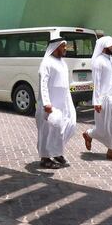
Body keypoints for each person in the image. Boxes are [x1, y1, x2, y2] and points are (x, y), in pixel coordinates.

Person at [36, 38, 77, 169]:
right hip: (50, 104)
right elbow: (43, 84)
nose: (65, 48)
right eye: (63, 46)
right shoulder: (46, 63)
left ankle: (57, 152)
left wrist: (69, 102)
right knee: (48, 130)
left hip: (63, 102)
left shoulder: (63, 63)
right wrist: (46, 103)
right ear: (55, 47)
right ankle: (45, 158)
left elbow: (65, 85)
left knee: (68, 125)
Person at [83, 36, 112, 161]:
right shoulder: (99, 61)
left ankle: (88, 134)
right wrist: (97, 101)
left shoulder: (111, 60)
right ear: (105, 47)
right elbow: (96, 83)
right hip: (105, 99)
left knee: (106, 127)